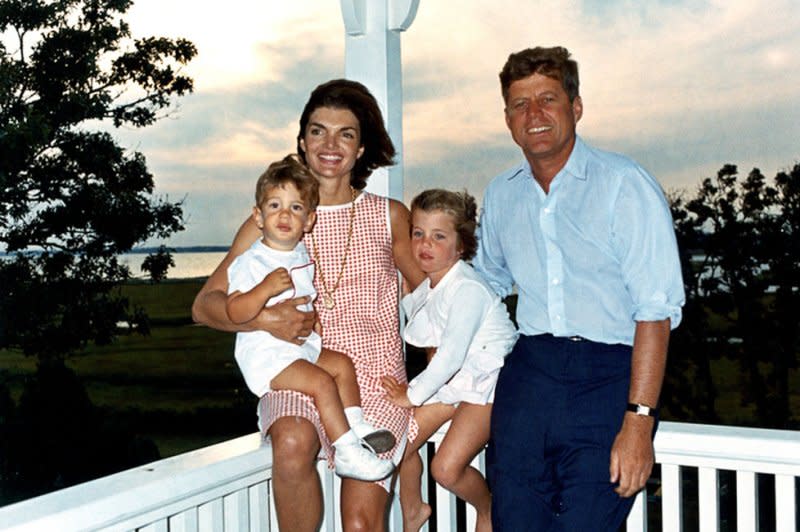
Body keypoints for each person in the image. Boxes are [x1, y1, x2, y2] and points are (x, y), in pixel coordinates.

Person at [192, 79, 425, 531]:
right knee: (294, 441)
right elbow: (204, 306)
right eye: (318, 131)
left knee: (360, 524)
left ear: (361, 149)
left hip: (372, 382)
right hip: (297, 364)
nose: (330, 145)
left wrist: (445, 385)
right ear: (302, 141)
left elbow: (433, 303)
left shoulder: (389, 215)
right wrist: (266, 319)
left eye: (346, 134)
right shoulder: (272, 216)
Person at [474, 46, 685, 531]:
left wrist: (638, 422)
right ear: (507, 118)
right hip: (527, 380)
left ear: (577, 106)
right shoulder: (503, 193)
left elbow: (655, 310)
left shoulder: (624, 185)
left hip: (607, 379)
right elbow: (485, 284)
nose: (534, 114)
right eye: (519, 103)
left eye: (547, 98)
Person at [226, 154, 395, 481]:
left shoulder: (299, 253)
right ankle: (347, 452)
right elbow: (235, 312)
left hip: (298, 348)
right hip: (267, 357)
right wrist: (262, 291)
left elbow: (301, 297)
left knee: (341, 365)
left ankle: (356, 425)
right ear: (257, 216)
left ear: (309, 220)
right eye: (274, 206)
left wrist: (312, 316)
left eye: (295, 208)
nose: (284, 215)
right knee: (321, 382)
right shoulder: (253, 261)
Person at [382, 189, 517, 532]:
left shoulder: (467, 289)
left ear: (461, 245)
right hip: (457, 385)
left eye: (439, 236)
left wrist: (410, 395)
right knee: (399, 443)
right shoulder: (433, 286)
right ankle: (414, 509)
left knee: (445, 468)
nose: (425, 244)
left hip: (488, 384)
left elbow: (451, 357)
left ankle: (487, 509)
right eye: (418, 233)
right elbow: (422, 325)